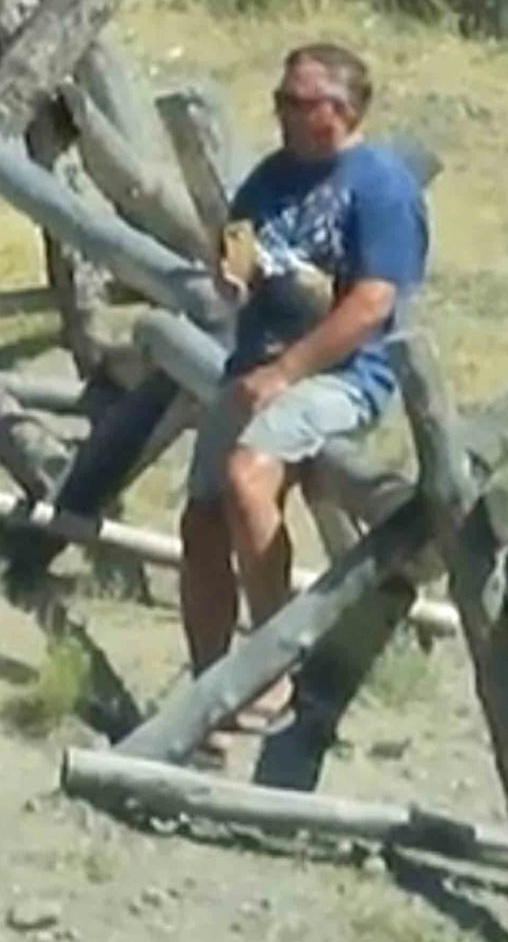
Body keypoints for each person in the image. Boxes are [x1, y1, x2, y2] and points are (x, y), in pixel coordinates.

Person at [177, 42, 429, 750]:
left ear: (340, 111)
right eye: (281, 99)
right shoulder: (269, 179)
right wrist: (232, 276)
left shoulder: (380, 187)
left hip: (340, 375)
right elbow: (234, 246)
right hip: (253, 367)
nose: (283, 112)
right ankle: (209, 685)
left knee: (246, 478)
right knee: (200, 526)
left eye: (299, 101)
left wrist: (288, 372)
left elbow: (373, 302)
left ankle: (270, 664)